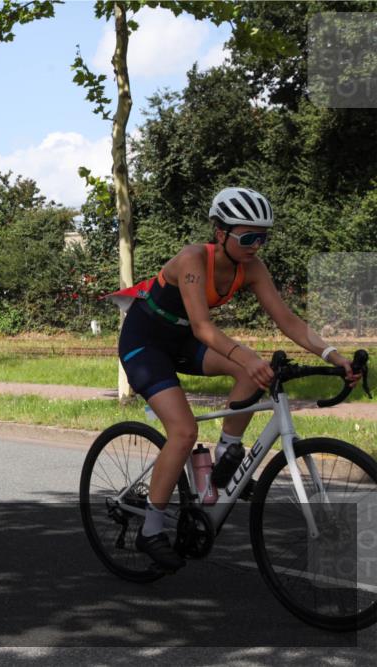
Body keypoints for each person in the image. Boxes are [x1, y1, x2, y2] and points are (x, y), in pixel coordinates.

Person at [114, 187, 360, 571]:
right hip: (145, 343)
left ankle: (227, 454)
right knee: (182, 432)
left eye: (263, 237)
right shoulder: (193, 259)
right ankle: (149, 529)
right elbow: (202, 327)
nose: (255, 246)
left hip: (180, 342)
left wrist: (334, 356)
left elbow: (289, 320)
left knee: (251, 369)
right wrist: (245, 355)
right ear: (220, 233)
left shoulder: (253, 268)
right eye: (248, 237)